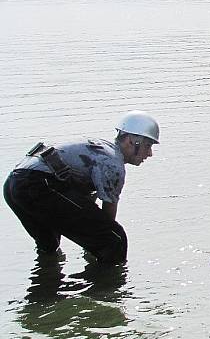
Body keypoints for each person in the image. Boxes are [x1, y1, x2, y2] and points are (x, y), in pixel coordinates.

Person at [3, 111, 159, 265]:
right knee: (114, 239)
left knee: (49, 245)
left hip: (13, 184)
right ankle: (105, 289)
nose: (150, 153)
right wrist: (99, 240)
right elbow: (107, 218)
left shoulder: (101, 148)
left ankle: (46, 284)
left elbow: (83, 205)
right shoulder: (113, 163)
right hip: (37, 185)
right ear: (131, 141)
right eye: (148, 146)